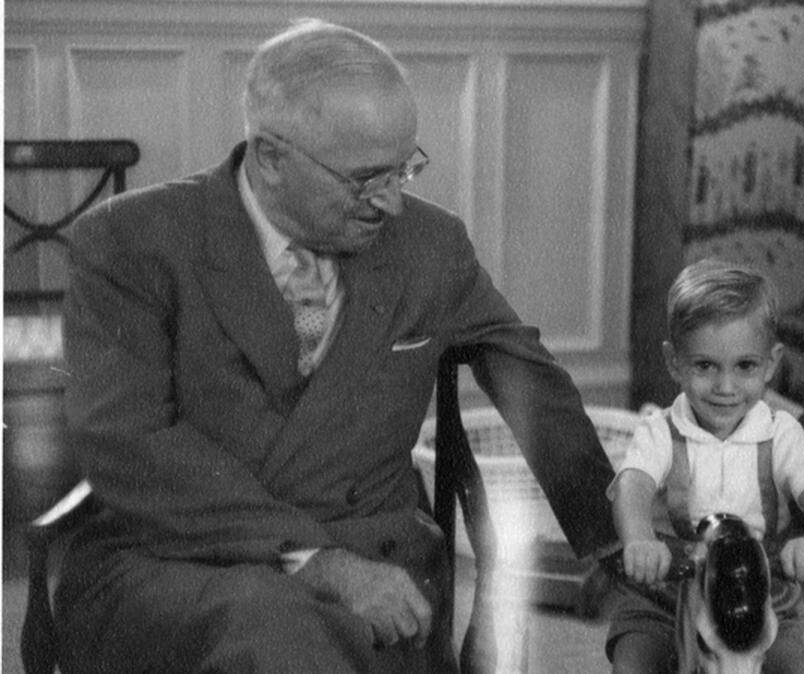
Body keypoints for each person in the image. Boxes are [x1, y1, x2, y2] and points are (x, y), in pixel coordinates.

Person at [55, 18, 618, 673]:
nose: (391, 203)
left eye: (404, 169)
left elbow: (528, 379)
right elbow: (128, 442)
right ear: (271, 156)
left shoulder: (431, 247)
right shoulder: (131, 241)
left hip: (380, 569)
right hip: (178, 560)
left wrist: (615, 540)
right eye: (365, 178)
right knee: (266, 630)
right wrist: (317, 562)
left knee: (290, 640)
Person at [606, 258, 804, 673]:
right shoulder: (659, 431)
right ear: (673, 362)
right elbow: (633, 486)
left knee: (802, 667)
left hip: (763, 591)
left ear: (771, 363)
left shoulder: (781, 432)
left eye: (745, 366)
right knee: (635, 663)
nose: (725, 387)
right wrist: (640, 541)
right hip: (666, 591)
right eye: (704, 366)